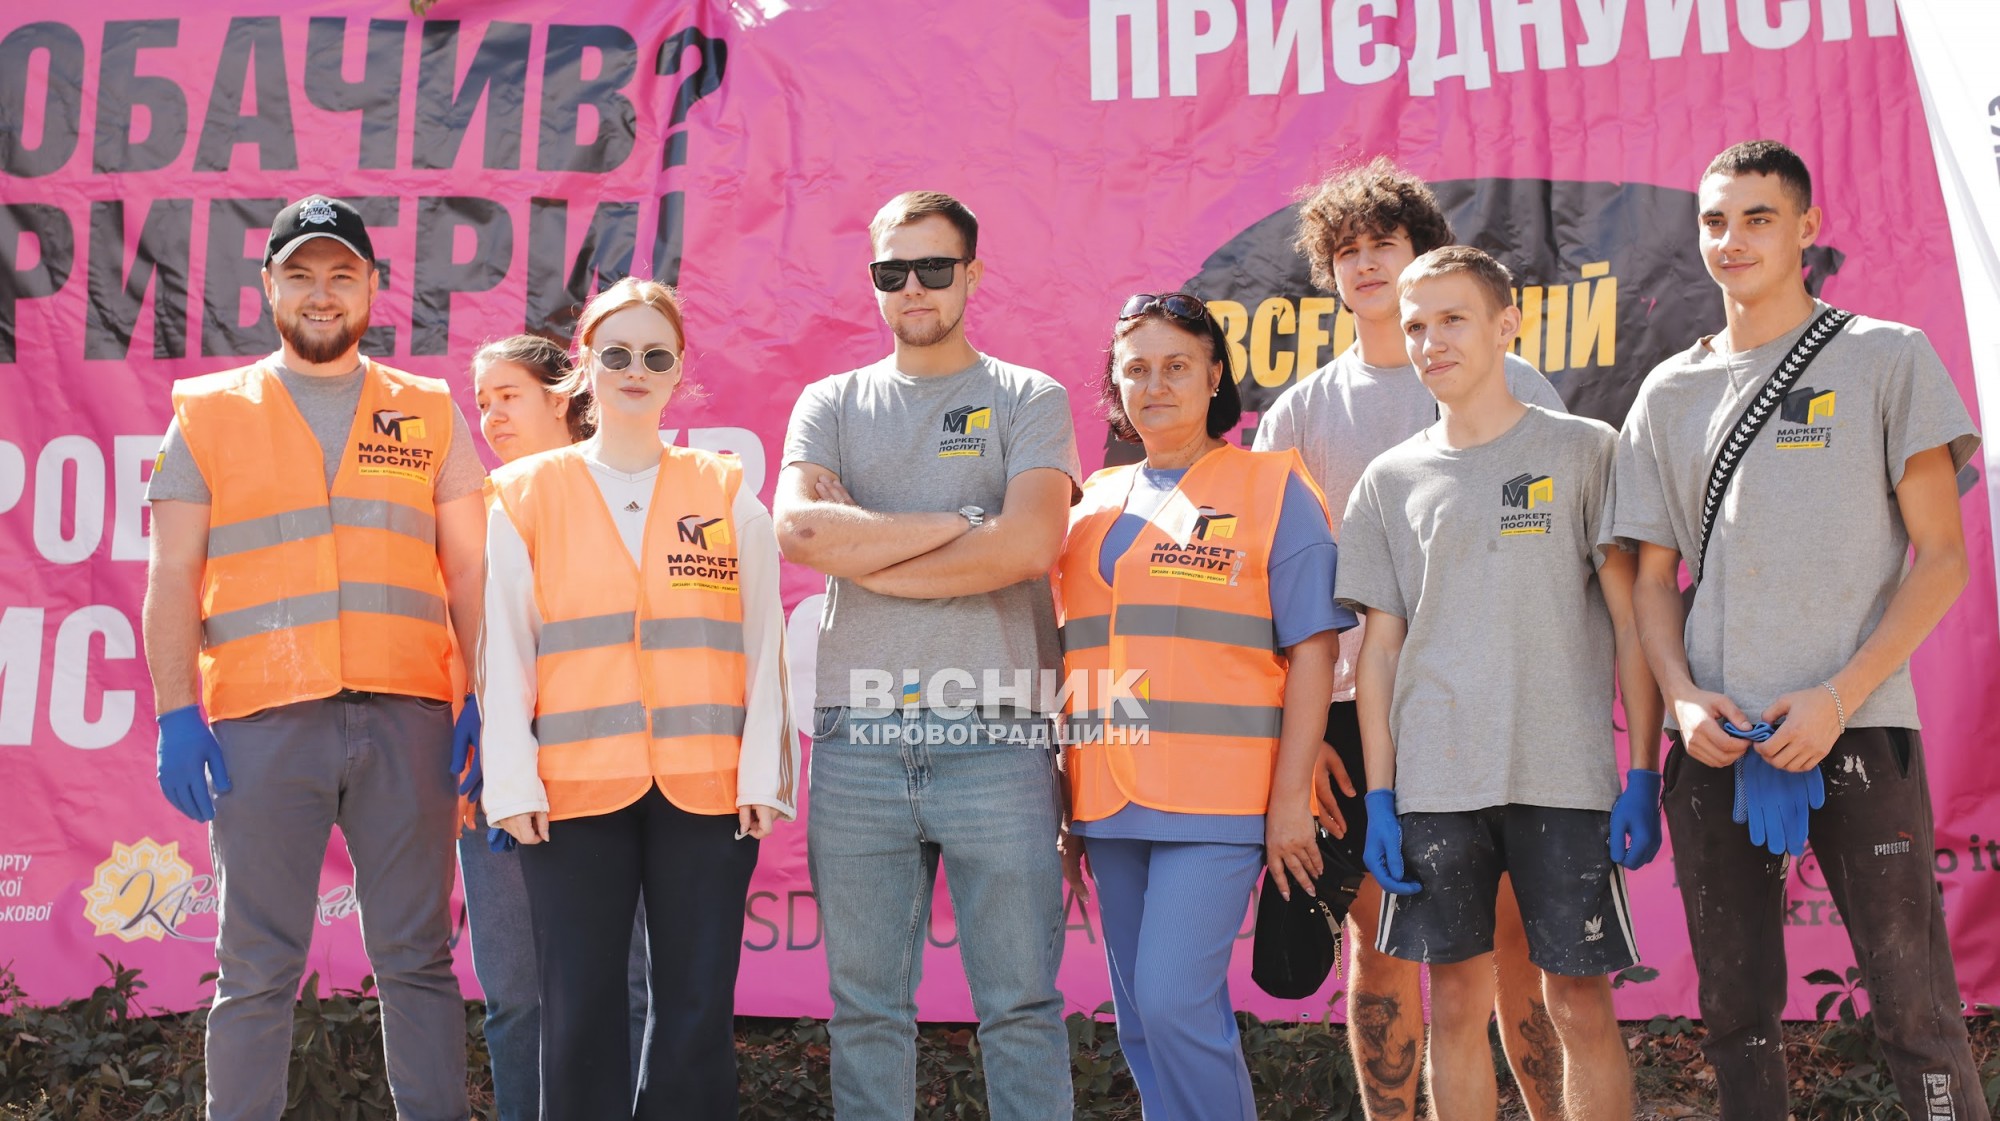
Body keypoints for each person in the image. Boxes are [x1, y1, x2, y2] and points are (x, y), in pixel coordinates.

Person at [1614, 139, 1988, 1120]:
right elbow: (1651, 580)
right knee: (1735, 1015)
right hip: (1714, 737)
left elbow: (1941, 558)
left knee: (1915, 1006)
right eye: (1712, 220)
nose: (1730, 239)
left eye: (1756, 217)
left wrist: (1835, 693)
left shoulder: (1884, 355)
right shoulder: (1665, 392)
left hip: (1853, 724)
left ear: (1806, 228)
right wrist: (1682, 697)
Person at [143, 194, 484, 1121]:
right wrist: (178, 712)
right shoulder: (208, 413)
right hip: (262, 723)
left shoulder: (428, 408)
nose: (321, 293)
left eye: (342, 275)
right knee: (255, 968)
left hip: (411, 720)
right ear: (269, 289)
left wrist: (486, 697)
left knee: (417, 959)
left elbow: (472, 572)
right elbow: (172, 575)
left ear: (372, 287)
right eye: (302, 274)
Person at [1252, 158, 1578, 1120]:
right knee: (1383, 946)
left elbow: (1560, 565)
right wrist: (1297, 740)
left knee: (1518, 946)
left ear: (1423, 255)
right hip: (1355, 714)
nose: (1364, 267)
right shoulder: (1301, 413)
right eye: (1344, 252)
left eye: (1382, 246)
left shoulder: (1520, 385)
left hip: (1497, 705)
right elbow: (1273, 598)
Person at [774, 191, 1079, 1120]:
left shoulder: (1029, 396)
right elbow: (799, 530)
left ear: (972, 275)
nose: (913, 287)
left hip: (998, 742)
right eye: (891, 271)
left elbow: (1027, 547)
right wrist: (957, 525)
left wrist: (871, 553)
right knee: (865, 1013)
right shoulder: (829, 402)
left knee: (1021, 1008)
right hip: (858, 742)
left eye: (934, 268)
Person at [1339, 246, 1662, 1121]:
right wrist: (1379, 794)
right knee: (1452, 1006)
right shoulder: (1388, 480)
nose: (1430, 341)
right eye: (1414, 325)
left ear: (1506, 322)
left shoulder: (1586, 451)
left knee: (1578, 1003)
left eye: (1452, 319)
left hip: (1565, 777)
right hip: (1436, 786)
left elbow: (1634, 624)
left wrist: (1644, 771)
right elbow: (1378, 652)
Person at [480, 278, 796, 1121]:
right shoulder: (525, 492)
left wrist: (763, 776)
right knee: (578, 1006)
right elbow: (502, 650)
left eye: (655, 355)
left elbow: (765, 643)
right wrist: (509, 783)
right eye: (615, 352)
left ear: (678, 370)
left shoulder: (727, 491)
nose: (634, 369)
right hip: (573, 790)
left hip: (708, 791)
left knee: (696, 1009)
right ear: (584, 364)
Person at [1056, 291, 1352, 1119]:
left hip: (1219, 802)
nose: (1157, 384)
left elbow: (1314, 652)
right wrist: (1062, 794)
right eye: (1137, 369)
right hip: (1106, 799)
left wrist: (1290, 799)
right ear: (1116, 385)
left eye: (1178, 365)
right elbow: (1076, 652)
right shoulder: (1088, 501)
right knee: (1145, 1019)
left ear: (1214, 374)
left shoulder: (1271, 485)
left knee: (1175, 998)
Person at [459, 333, 651, 1121]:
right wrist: (485, 745)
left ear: (564, 395)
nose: (491, 415)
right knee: (514, 995)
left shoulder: (626, 495)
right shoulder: (468, 508)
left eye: (508, 394)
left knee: (626, 987)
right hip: (493, 785)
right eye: (482, 403)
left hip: (605, 775)